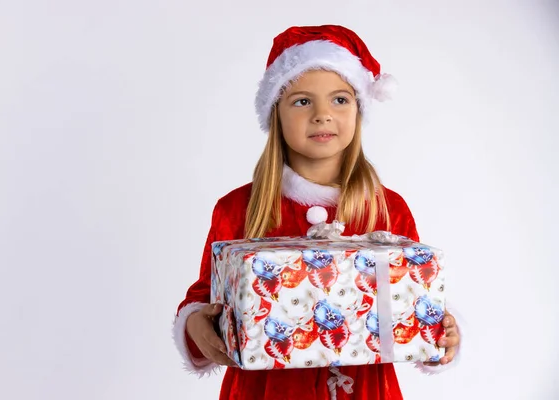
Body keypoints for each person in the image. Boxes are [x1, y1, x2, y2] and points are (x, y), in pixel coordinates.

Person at [172, 24, 462, 400]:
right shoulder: (237, 208)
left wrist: (442, 332)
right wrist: (196, 324)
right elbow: (204, 295)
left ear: (359, 109)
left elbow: (413, 294)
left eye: (340, 99)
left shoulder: (388, 209)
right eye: (303, 101)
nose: (323, 115)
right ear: (275, 113)